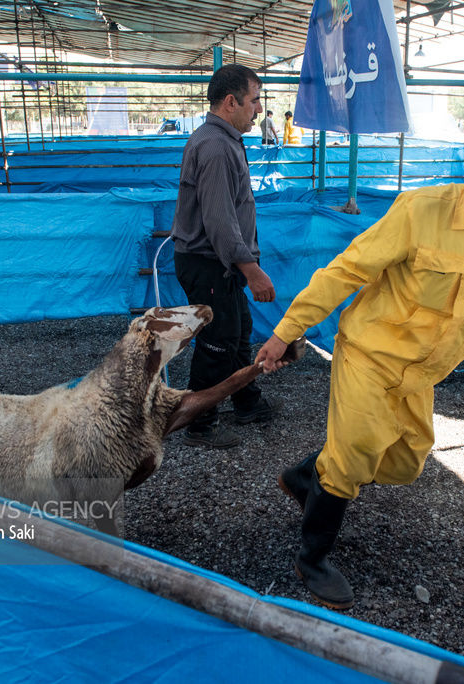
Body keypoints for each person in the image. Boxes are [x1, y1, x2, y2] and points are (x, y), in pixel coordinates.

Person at [255, 124, 464, 609]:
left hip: (420, 374)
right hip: (370, 352)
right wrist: (286, 331)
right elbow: (348, 268)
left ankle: (306, 478)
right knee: (355, 452)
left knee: (406, 462)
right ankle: (312, 557)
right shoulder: (420, 210)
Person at [170, 63, 279, 449]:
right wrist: (252, 270)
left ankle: (246, 401)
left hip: (220, 264)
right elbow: (219, 221)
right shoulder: (216, 146)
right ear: (231, 102)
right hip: (211, 263)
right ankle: (199, 422)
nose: (258, 109)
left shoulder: (223, 139)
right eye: (253, 101)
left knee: (237, 333)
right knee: (218, 341)